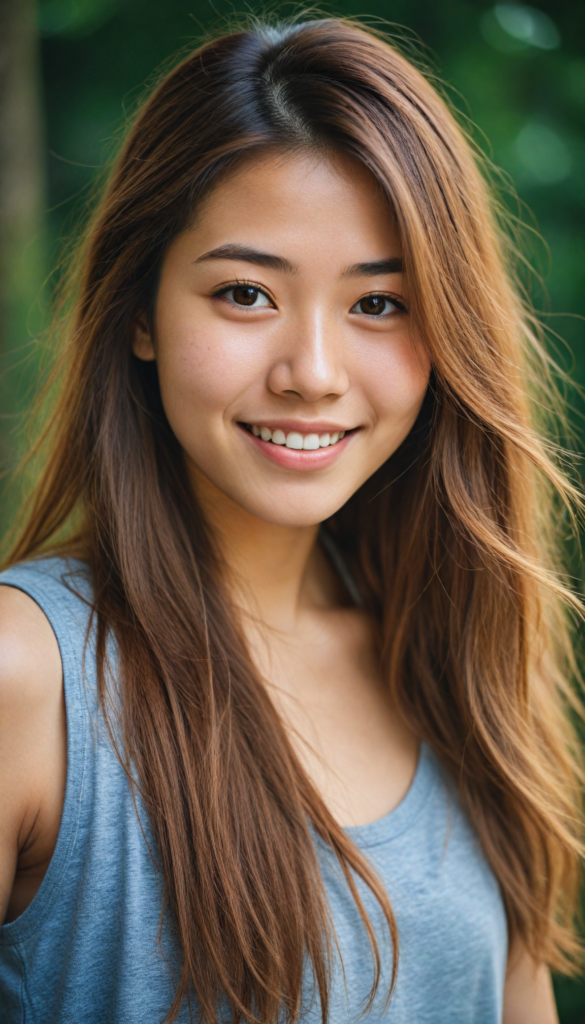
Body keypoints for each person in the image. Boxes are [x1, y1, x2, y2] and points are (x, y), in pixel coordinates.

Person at [0, 17, 581, 1024]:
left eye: (380, 305)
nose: (311, 372)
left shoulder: (456, 660)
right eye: (245, 293)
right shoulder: (30, 678)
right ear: (140, 312)